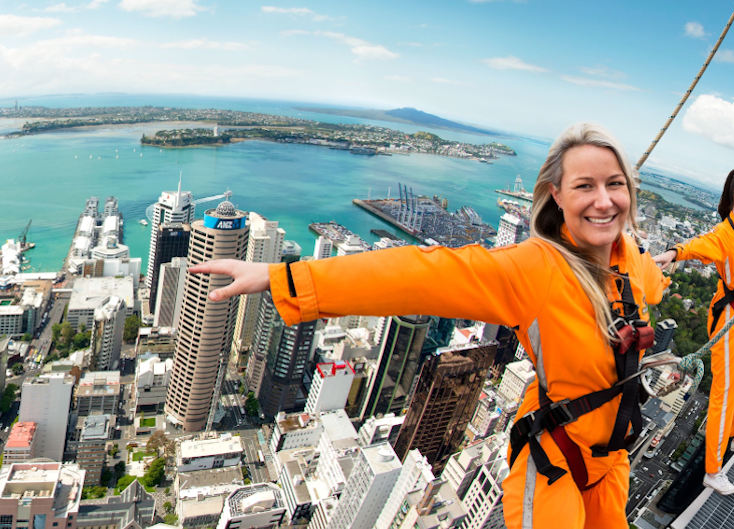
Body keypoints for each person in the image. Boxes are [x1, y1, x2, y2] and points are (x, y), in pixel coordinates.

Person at [190, 123, 669, 528]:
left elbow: (656, 283)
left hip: (613, 461)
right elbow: (421, 275)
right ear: (555, 197)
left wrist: (679, 259)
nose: (604, 201)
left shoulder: (634, 265)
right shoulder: (534, 270)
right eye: (585, 185)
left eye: (615, 184)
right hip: (555, 464)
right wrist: (284, 277)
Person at [654, 169, 734, 496]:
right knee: (725, 390)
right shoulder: (724, 235)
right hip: (728, 320)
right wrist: (672, 253)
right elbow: (698, 245)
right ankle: (712, 471)